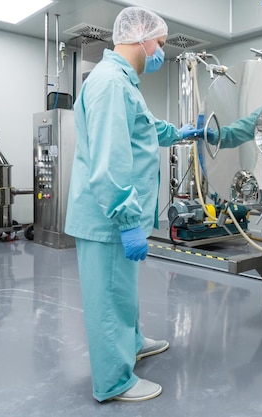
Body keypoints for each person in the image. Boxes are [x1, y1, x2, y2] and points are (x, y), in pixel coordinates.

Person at [65, 6, 202, 403]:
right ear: (140, 38)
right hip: (108, 216)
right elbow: (109, 159)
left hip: (116, 215)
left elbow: (145, 129)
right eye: (160, 43)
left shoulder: (123, 83)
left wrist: (179, 132)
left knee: (122, 291)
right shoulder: (110, 83)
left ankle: (133, 342)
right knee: (108, 297)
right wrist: (127, 220)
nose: (160, 52)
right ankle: (113, 381)